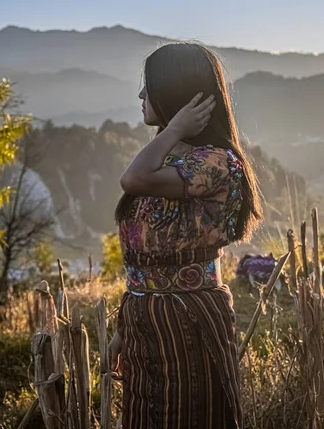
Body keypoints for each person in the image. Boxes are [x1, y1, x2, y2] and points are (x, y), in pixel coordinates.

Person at [109, 42, 262, 429]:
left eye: (151, 86)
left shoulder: (215, 163)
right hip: (146, 320)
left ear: (177, 93)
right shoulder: (172, 160)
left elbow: (133, 179)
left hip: (187, 321)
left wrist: (174, 126)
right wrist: (125, 329)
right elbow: (143, 258)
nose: (141, 95)